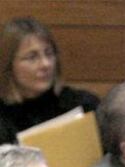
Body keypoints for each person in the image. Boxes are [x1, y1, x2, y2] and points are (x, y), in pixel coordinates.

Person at [0, 17, 99, 145]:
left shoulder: (82, 104)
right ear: (8, 65)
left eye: (49, 53)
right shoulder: (3, 119)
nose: (45, 64)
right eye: (32, 57)